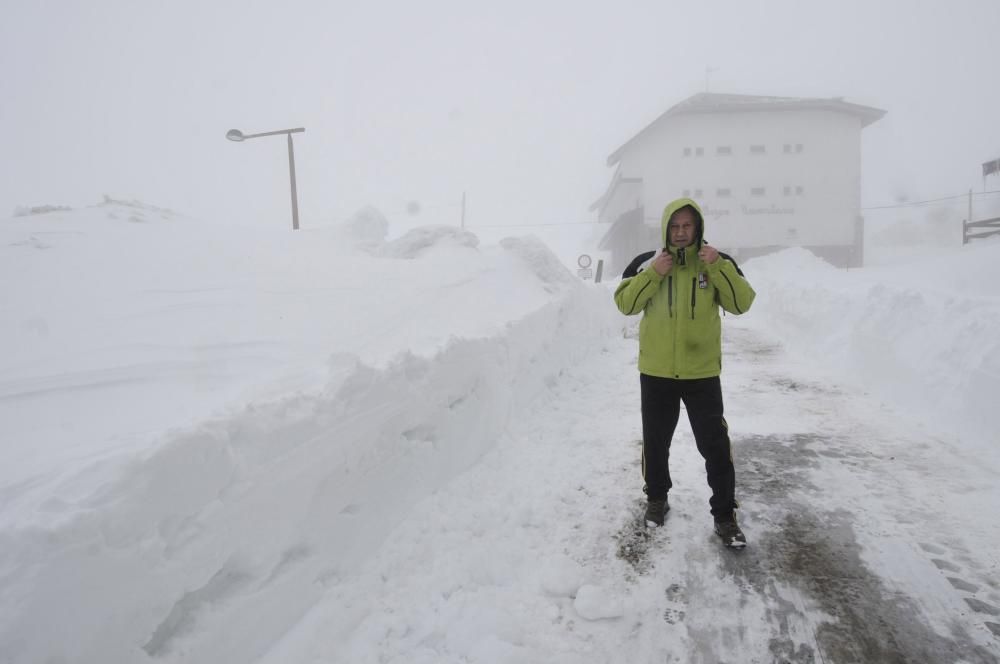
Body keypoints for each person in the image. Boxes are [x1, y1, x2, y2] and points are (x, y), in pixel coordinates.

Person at [613, 197, 755, 548]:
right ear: (665, 228)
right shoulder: (646, 263)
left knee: (716, 447)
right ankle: (657, 500)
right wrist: (653, 274)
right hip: (657, 372)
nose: (680, 232)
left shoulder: (717, 262)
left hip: (701, 373)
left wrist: (719, 267)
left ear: (697, 228)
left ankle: (724, 515)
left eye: (686, 226)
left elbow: (742, 303)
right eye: (674, 226)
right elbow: (625, 304)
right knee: (656, 443)